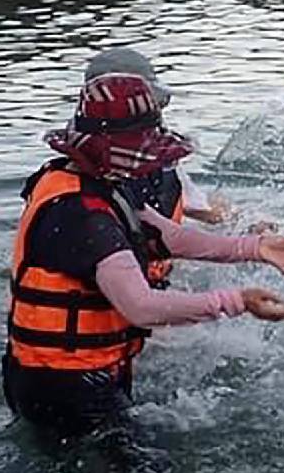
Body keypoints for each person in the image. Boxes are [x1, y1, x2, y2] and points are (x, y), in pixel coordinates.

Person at [3, 71, 284, 442]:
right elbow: (141, 307)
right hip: (67, 387)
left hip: (63, 374)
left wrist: (253, 249)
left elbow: (168, 236)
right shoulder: (83, 215)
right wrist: (237, 301)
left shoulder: (91, 182)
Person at [83, 50, 228, 294]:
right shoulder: (143, 165)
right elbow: (210, 216)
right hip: (138, 302)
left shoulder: (73, 167)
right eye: (152, 104)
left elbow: (203, 212)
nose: (158, 113)